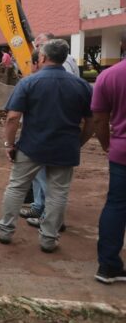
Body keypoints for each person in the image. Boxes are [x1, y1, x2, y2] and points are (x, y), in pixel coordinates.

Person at [0, 39, 94, 252]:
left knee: (17, 187)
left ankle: (5, 230)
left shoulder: (28, 83)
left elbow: (13, 118)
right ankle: (48, 239)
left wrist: (8, 144)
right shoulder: (81, 85)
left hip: (32, 146)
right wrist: (78, 142)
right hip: (65, 148)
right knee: (58, 193)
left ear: (42, 58)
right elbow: (91, 121)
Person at [20, 33, 80, 230]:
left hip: (52, 128)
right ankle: (38, 207)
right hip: (51, 127)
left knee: (49, 178)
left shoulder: (64, 66)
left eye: (40, 44)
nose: (37, 48)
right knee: (39, 175)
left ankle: (51, 218)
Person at [91, 57, 126, 283]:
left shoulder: (109, 75)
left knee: (116, 205)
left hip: (121, 152)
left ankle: (108, 265)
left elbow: (99, 120)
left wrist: (106, 145)